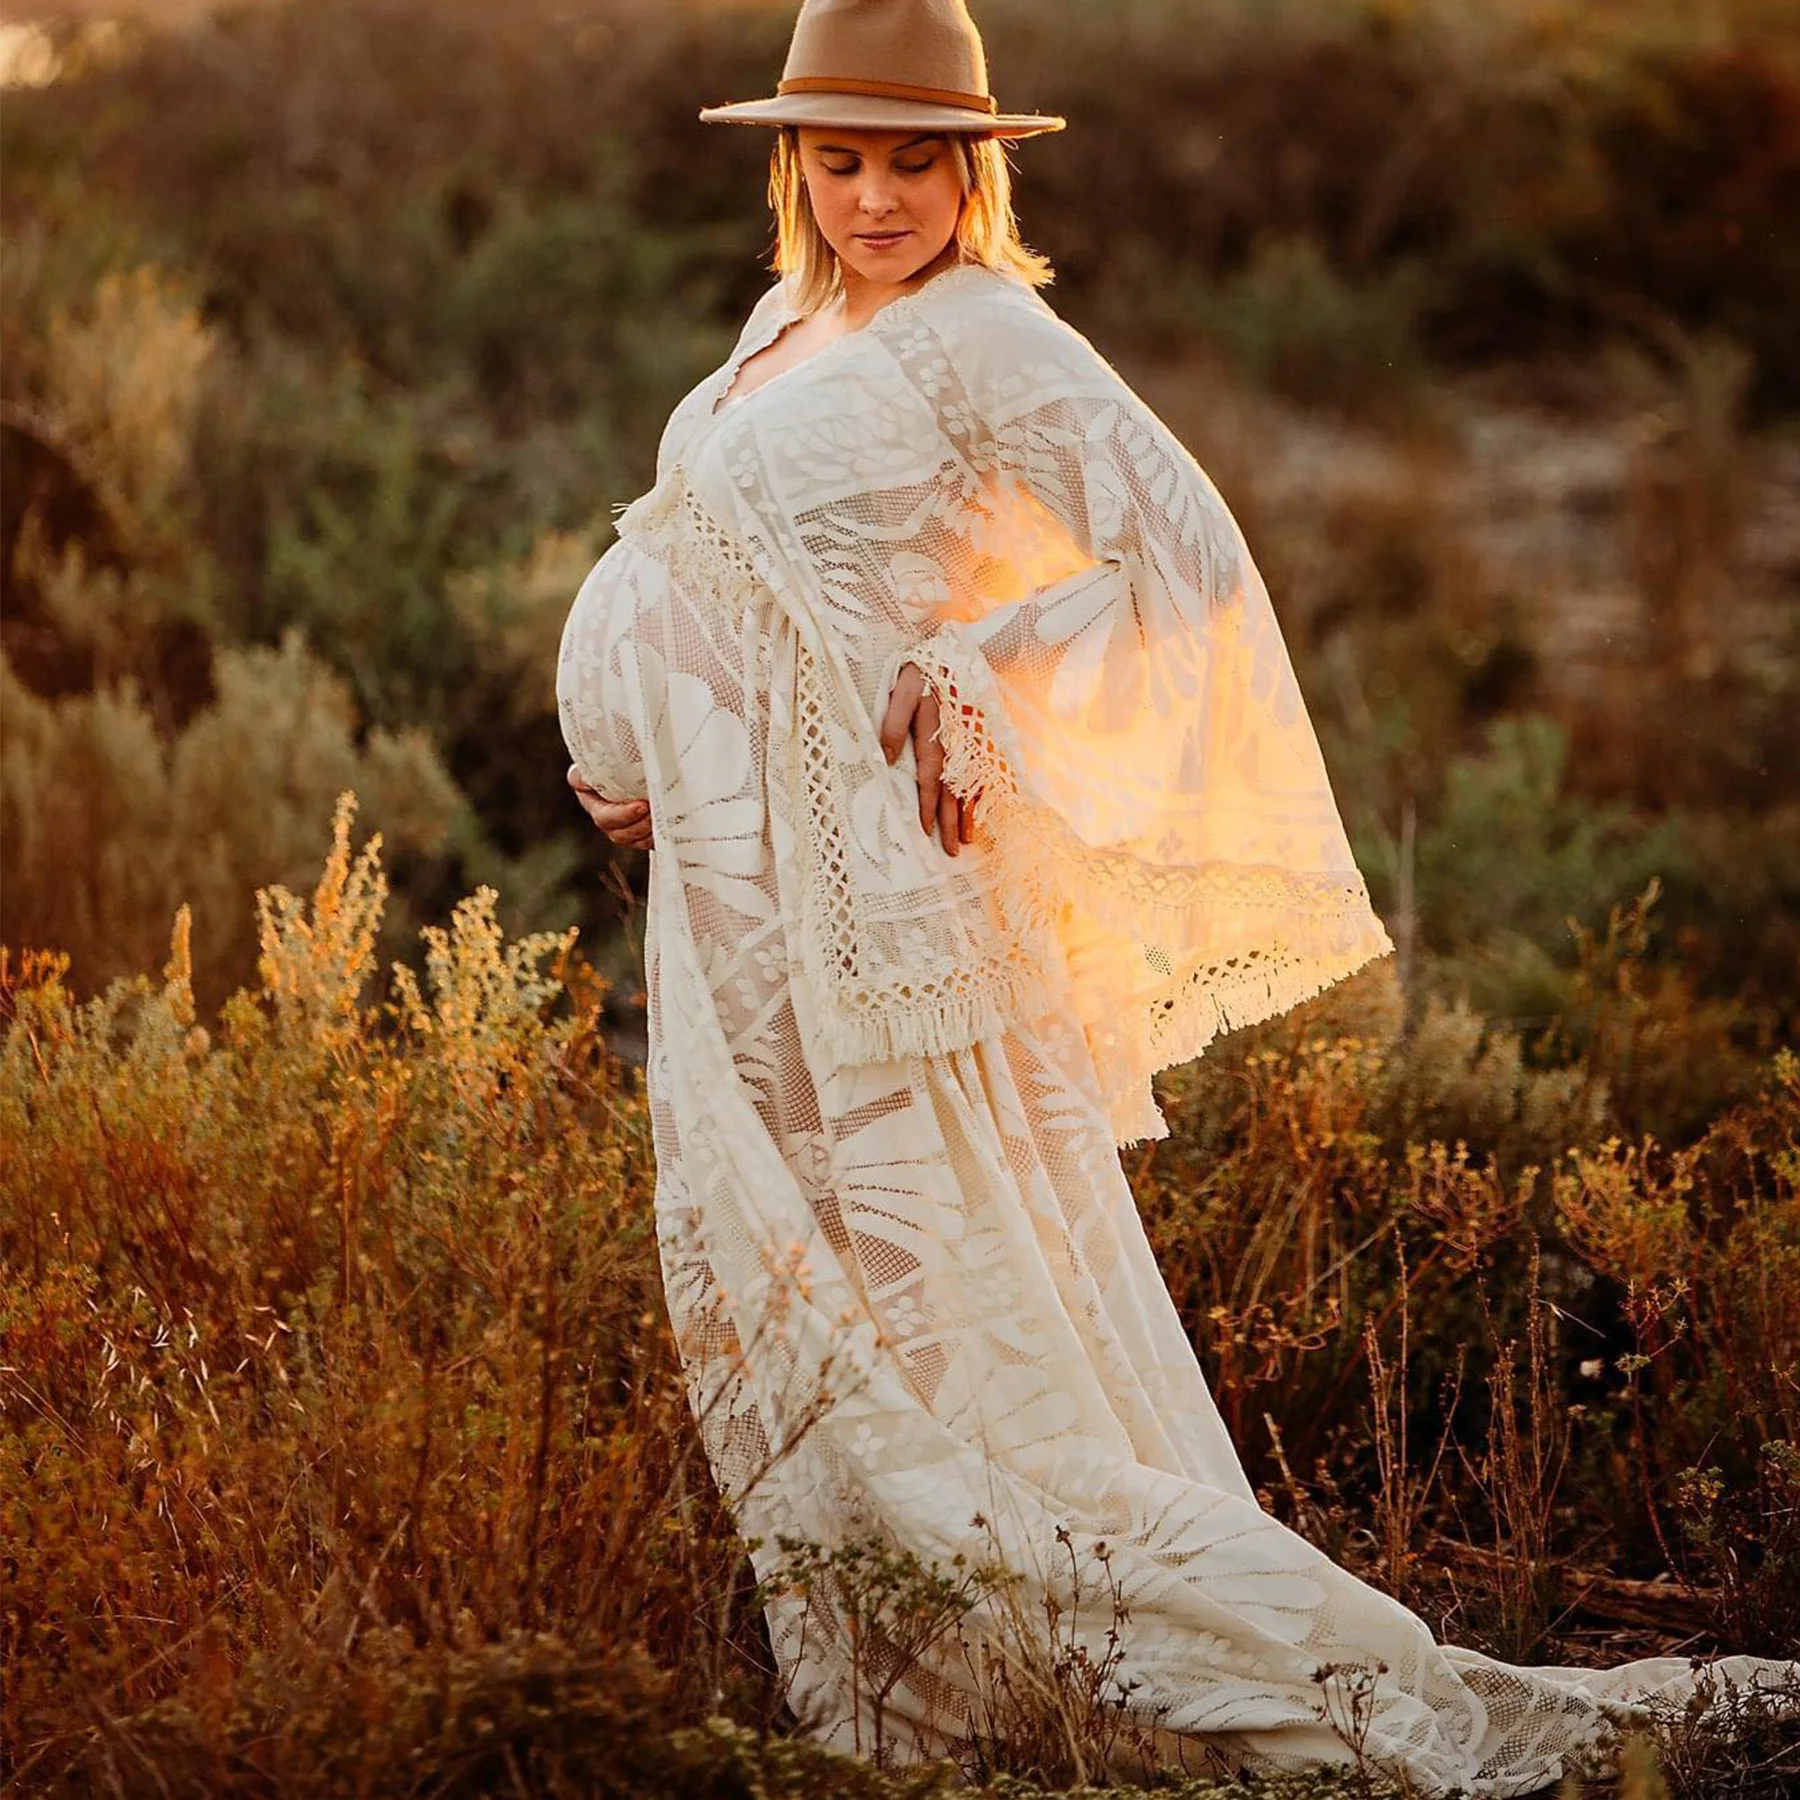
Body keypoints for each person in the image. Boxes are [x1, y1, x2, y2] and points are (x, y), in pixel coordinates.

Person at [556, 0, 1797, 1788]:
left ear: (974, 164)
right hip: (738, 922)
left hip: (883, 920)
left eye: (917, 159)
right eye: (841, 159)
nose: (876, 195)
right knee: (806, 1298)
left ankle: (1088, 1659)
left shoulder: (987, 330)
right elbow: (701, 561)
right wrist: (630, 743)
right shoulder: (789, 321)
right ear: (792, 165)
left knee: (961, 1336)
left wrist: (973, 674)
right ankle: (912, 1674)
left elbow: (1184, 558)